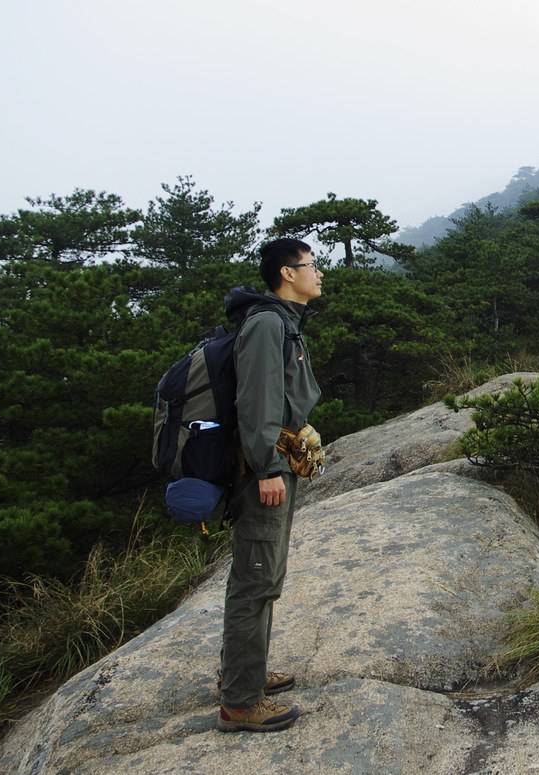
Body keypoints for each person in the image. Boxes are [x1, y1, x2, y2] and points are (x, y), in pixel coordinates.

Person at [216, 237, 323, 733]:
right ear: (287, 273)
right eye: (311, 264)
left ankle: (245, 673)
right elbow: (255, 404)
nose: (318, 273)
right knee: (256, 581)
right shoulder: (266, 325)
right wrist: (266, 470)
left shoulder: (283, 323)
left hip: (276, 461)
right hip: (264, 469)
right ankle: (240, 701)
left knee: (263, 577)